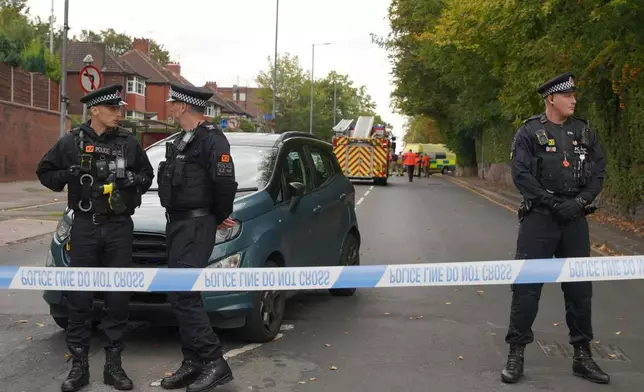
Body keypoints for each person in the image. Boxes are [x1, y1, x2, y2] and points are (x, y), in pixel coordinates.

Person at [36, 84, 154, 392]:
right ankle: (79, 367)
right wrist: (69, 174)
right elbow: (45, 173)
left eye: (120, 109)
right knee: (80, 297)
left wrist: (133, 181)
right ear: (95, 111)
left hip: (118, 226)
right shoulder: (72, 142)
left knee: (117, 297)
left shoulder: (128, 143)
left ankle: (114, 366)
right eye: (113, 109)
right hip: (85, 225)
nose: (119, 113)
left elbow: (147, 175)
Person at [501, 72, 608, 385]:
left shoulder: (585, 131)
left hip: (575, 219)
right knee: (527, 288)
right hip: (540, 220)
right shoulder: (530, 132)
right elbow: (521, 174)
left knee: (579, 290)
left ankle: (582, 356)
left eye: (574, 95)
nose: (573, 100)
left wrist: (581, 202)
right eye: (567, 95)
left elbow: (598, 172)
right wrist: (549, 202)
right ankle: (516, 352)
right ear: (551, 99)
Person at [157, 82, 238, 391]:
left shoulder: (213, 141)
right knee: (178, 294)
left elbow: (225, 184)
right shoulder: (180, 141)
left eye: (172, 103)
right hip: (177, 225)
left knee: (185, 294)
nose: (169, 106)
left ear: (184, 107)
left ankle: (214, 361)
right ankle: (192, 362)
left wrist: (214, 217)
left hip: (196, 225)